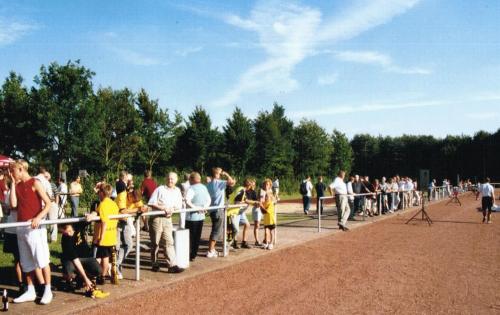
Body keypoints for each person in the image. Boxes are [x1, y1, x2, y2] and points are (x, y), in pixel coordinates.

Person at [8, 160, 53, 304]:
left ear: (21, 169)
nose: (11, 174)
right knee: (26, 262)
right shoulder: (18, 185)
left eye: (13, 170)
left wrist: (38, 217)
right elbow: (13, 204)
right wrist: (13, 183)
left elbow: (48, 203)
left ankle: (47, 289)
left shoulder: (35, 182)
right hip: (21, 227)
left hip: (34, 228)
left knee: (42, 259)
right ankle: (30, 290)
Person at [147, 172, 185, 273]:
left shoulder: (177, 191)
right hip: (157, 218)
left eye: (172, 179)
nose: (170, 180)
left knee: (169, 242)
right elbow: (151, 202)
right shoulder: (160, 189)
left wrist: (171, 210)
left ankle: (172, 265)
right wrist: (162, 208)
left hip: (168, 219)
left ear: (176, 180)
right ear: (165, 179)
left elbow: (178, 205)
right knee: (155, 242)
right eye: (168, 178)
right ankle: (154, 263)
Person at [59, 223, 108, 298]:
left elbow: (90, 218)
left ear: (72, 226)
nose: (69, 234)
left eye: (70, 230)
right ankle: (69, 281)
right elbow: (76, 261)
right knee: (68, 270)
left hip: (85, 256)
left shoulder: (77, 225)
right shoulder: (66, 242)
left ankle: (81, 278)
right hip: (72, 260)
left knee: (98, 270)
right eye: (65, 233)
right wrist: (86, 279)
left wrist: (92, 214)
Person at [86, 183, 119, 285]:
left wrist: (101, 237)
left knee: (102, 258)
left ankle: (100, 276)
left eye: (99, 192)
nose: (98, 194)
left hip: (104, 237)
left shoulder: (103, 204)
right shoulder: (113, 204)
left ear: (102, 193)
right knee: (106, 257)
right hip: (112, 235)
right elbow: (98, 213)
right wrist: (92, 214)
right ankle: (102, 276)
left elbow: (104, 222)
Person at [206, 167, 235, 258]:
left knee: (215, 229)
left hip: (212, 209)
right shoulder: (219, 183)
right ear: (218, 174)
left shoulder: (208, 184)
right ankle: (210, 250)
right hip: (218, 210)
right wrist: (226, 174)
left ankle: (212, 249)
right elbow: (232, 182)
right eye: (220, 173)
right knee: (216, 231)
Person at [184, 172, 211, 261]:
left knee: (190, 237)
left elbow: (187, 201)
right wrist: (204, 208)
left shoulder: (191, 188)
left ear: (191, 179)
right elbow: (209, 200)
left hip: (191, 217)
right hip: (201, 216)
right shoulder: (204, 187)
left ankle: (189, 255)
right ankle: (193, 255)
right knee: (197, 236)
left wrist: (196, 208)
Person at [260, 179, 276, 249]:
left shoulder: (270, 203)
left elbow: (265, 211)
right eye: (266, 196)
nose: (266, 197)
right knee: (266, 232)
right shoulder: (263, 195)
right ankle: (266, 242)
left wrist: (261, 206)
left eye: (267, 184)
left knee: (271, 232)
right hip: (266, 220)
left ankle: (271, 243)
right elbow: (262, 210)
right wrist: (261, 205)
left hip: (271, 219)